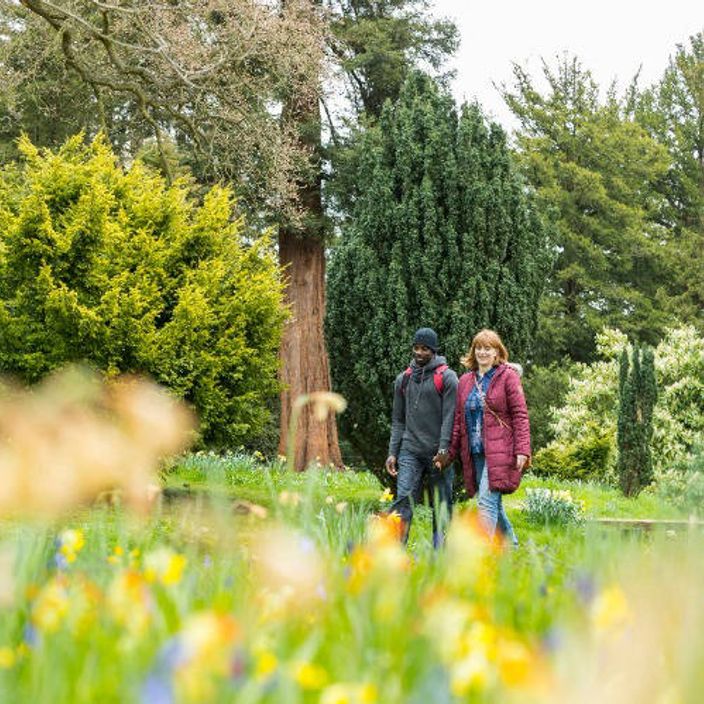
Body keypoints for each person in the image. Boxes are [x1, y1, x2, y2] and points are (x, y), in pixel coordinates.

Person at [435, 329, 530, 547]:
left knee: (486, 502)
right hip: (476, 452)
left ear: (497, 352)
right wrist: (448, 453)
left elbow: (520, 415)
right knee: (491, 502)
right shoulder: (465, 381)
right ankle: (512, 546)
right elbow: (459, 421)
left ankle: (480, 555)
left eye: (488, 348)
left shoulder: (508, 377)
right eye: (478, 347)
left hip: (502, 451)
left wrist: (522, 450)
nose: (482, 352)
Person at [385, 327, 458, 547]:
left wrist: (444, 450)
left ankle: (441, 555)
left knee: (441, 504)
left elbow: (449, 417)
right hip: (410, 450)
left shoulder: (447, 378)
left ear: (434, 351)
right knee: (403, 499)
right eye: (416, 348)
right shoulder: (403, 380)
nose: (419, 353)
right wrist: (392, 453)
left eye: (424, 349)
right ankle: (393, 552)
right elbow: (398, 420)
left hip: (439, 452)